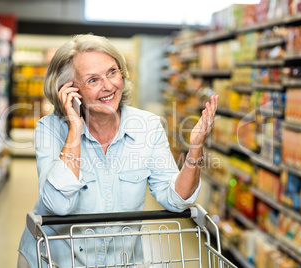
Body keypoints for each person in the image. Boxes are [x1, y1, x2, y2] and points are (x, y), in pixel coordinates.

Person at [17, 33, 218, 268]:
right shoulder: (50, 129)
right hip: (55, 260)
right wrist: (74, 128)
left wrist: (194, 149)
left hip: (121, 261)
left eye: (112, 72)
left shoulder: (148, 126)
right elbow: (59, 206)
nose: (108, 86)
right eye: (93, 80)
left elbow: (175, 200)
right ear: (70, 90)